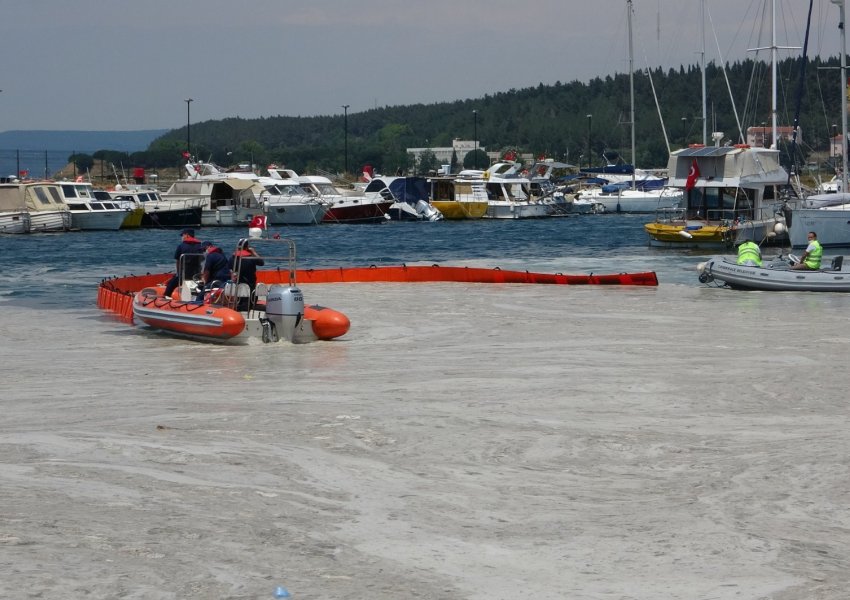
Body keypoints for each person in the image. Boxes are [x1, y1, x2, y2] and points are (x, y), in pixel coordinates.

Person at [164, 228, 204, 298]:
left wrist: (178, 273)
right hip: (196, 273)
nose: (182, 237)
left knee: (171, 283)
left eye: (183, 235)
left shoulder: (181, 246)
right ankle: (197, 297)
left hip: (184, 273)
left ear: (187, 235)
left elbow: (178, 260)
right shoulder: (200, 246)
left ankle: (166, 295)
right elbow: (202, 259)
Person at [229, 241, 265, 310]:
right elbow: (261, 262)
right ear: (247, 247)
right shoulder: (250, 257)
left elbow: (230, 270)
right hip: (250, 284)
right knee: (251, 300)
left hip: (238, 284)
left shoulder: (233, 258)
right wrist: (253, 252)